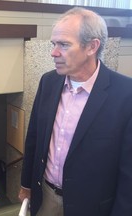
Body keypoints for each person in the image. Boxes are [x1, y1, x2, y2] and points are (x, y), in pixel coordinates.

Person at [18, 7, 132, 216]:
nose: (54, 52)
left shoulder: (125, 95)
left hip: (92, 206)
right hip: (46, 197)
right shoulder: (48, 82)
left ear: (92, 46)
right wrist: (26, 184)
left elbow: (128, 173)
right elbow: (34, 138)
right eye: (54, 44)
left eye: (64, 44)